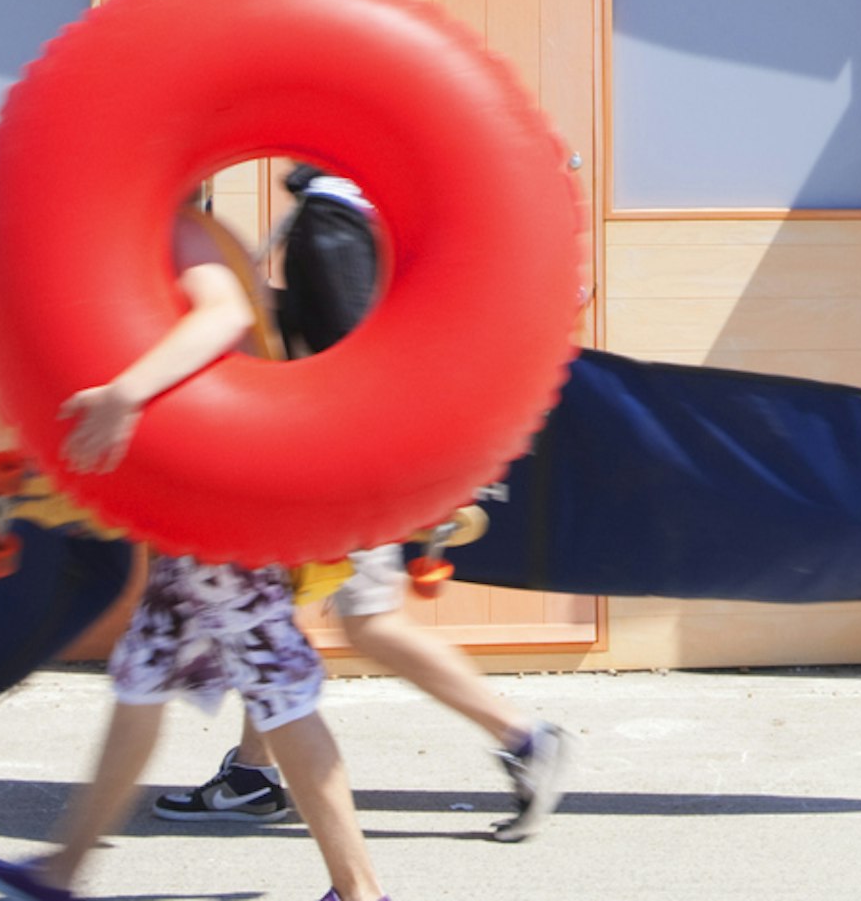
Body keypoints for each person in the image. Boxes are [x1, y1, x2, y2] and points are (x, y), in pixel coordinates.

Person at [0, 202, 393, 901]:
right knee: (143, 674)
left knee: (276, 681)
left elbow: (221, 313)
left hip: (223, 502)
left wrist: (124, 395)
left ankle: (360, 891)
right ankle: (60, 870)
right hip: (196, 508)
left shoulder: (177, 227)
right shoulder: (157, 233)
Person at [153, 166, 573, 844]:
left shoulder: (331, 223)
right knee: (276, 613)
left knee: (370, 621)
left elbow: (352, 347)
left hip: (344, 461)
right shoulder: (358, 216)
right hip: (339, 456)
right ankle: (253, 774)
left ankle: (523, 736)